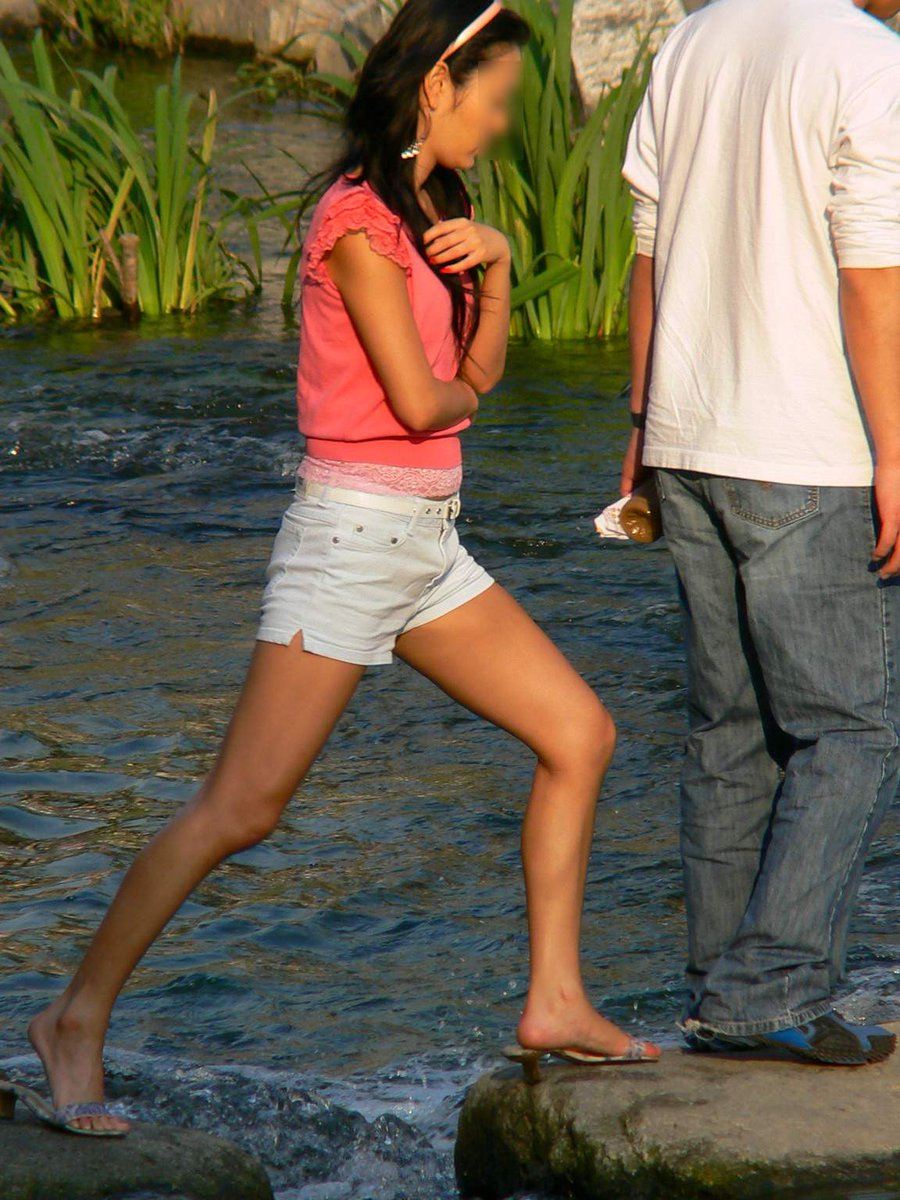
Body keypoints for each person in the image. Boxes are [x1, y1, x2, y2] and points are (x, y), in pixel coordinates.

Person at [1, 0, 662, 1138]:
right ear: (437, 85)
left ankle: (555, 999)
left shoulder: (440, 211)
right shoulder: (355, 221)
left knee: (579, 734)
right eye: (497, 99)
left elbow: (477, 374)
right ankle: (73, 1017)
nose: (504, 123)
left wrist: (501, 268)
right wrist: (459, 390)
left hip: (427, 544)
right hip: (350, 539)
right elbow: (421, 397)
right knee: (240, 809)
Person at [621, 0, 900, 1064]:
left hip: (688, 438)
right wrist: (897, 453)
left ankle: (719, 988)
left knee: (729, 731)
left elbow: (648, 252)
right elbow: (872, 280)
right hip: (808, 449)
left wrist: (641, 426)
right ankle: (769, 986)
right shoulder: (867, 59)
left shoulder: (695, 37)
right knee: (850, 733)